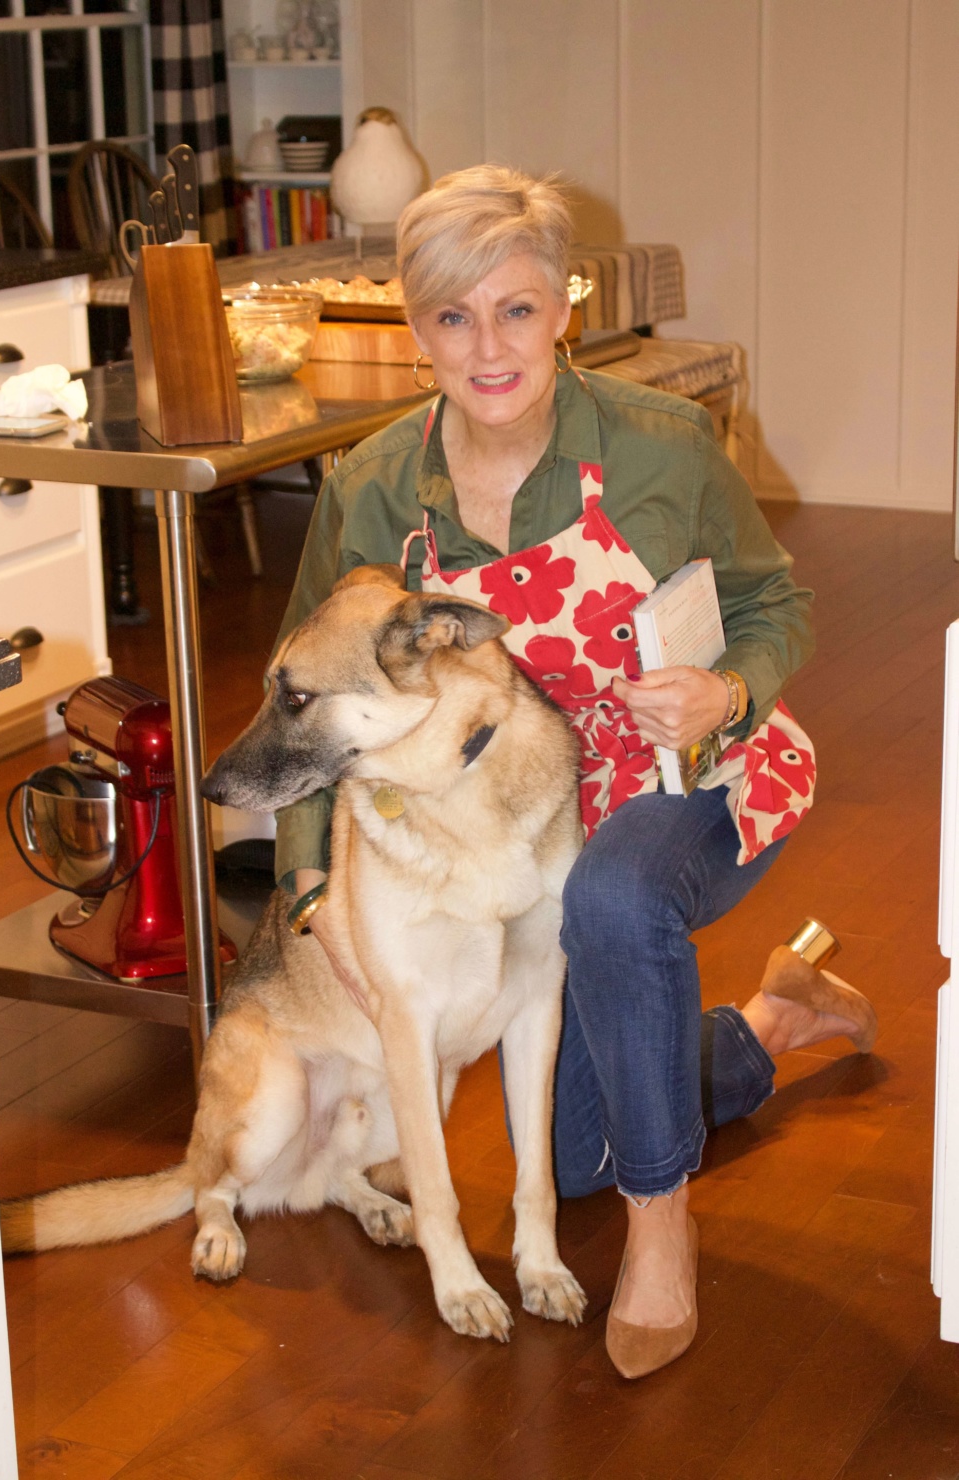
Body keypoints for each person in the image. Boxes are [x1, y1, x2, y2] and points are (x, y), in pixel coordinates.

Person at [271, 165, 877, 1379]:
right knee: (582, 1149)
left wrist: (727, 688)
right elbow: (305, 694)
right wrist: (307, 886)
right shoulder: (374, 487)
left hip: (677, 777)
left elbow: (776, 601)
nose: (487, 347)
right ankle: (774, 1017)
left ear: (565, 308)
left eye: (515, 308)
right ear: (413, 329)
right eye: (452, 316)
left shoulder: (663, 445)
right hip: (507, 826)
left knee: (612, 901)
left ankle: (666, 1234)